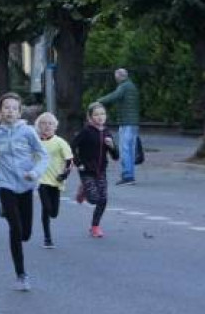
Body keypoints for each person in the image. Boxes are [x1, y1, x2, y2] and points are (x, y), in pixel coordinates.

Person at [0, 92, 49, 292]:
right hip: (5, 185)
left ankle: (4, 211)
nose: (10, 111)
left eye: (14, 108)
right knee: (15, 230)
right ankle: (21, 275)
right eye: (6, 108)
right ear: (0, 112)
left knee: (26, 234)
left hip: (26, 185)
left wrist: (35, 173)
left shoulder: (28, 132)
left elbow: (43, 156)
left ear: (19, 112)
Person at [71, 102, 119, 238]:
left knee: (103, 199)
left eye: (102, 114)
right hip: (86, 170)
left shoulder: (107, 132)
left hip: (101, 170)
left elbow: (116, 156)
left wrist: (112, 146)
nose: (100, 117)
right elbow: (71, 146)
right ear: (90, 117)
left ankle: (95, 227)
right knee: (93, 199)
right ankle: (84, 190)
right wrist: (78, 163)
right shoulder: (86, 132)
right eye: (96, 114)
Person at [34, 112, 73, 249]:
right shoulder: (35, 142)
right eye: (43, 123)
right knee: (46, 208)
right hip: (41, 181)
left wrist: (64, 175)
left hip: (56, 181)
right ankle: (47, 238)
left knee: (53, 213)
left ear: (55, 126)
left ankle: (47, 237)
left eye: (50, 123)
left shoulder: (60, 142)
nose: (47, 126)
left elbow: (69, 160)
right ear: (38, 126)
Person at [97, 68, 140, 186]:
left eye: (116, 77)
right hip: (133, 123)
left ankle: (127, 176)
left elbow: (114, 96)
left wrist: (99, 101)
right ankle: (130, 174)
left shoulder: (124, 86)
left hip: (127, 123)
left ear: (119, 76)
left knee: (125, 149)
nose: (115, 79)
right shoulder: (131, 86)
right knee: (130, 150)